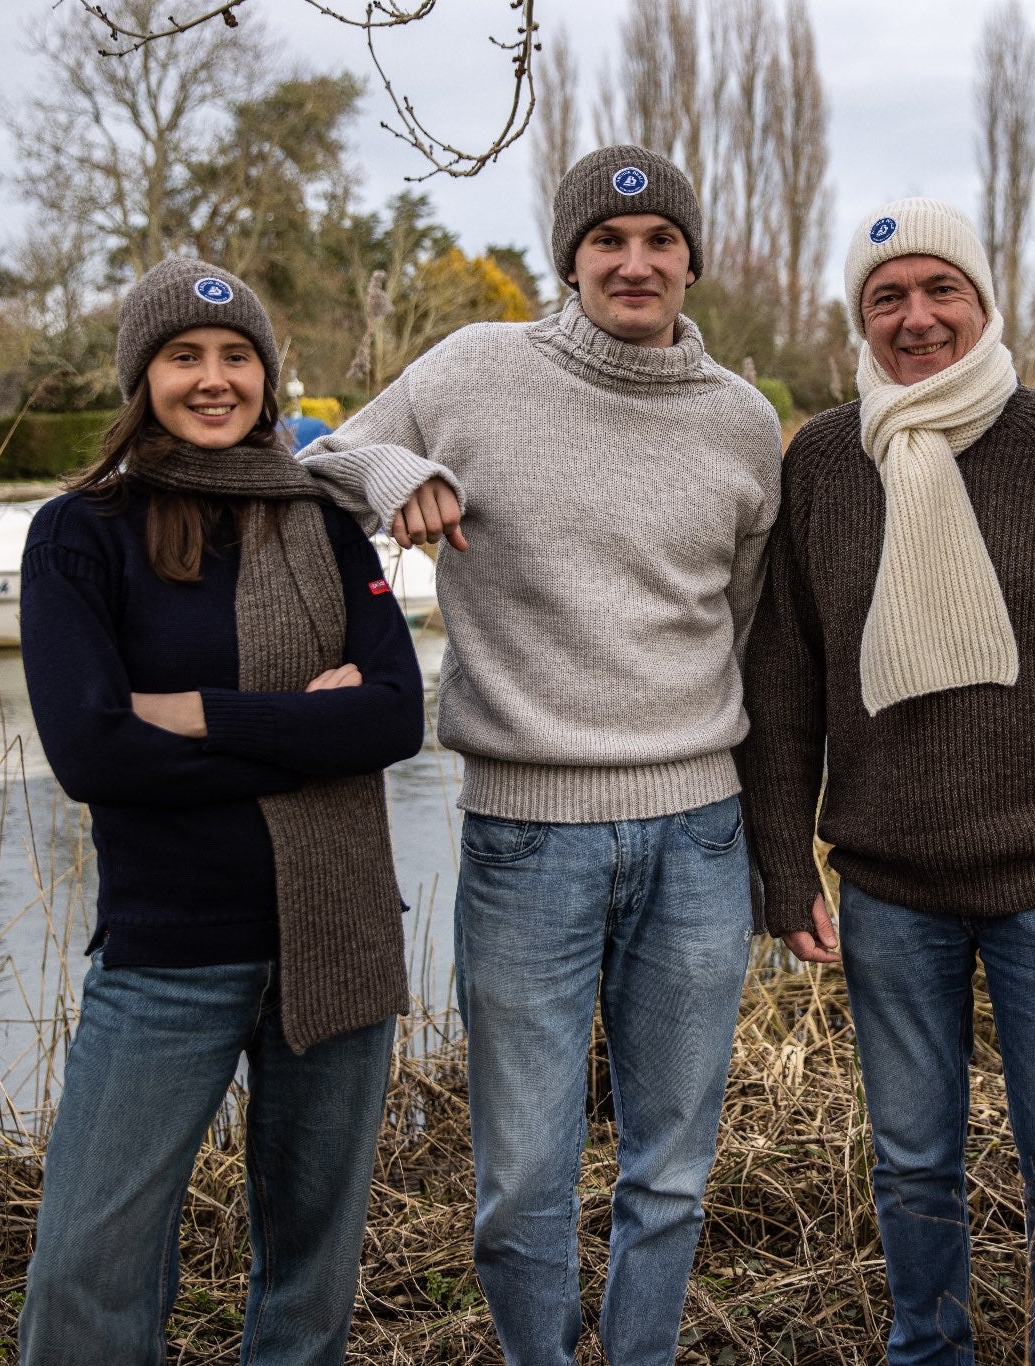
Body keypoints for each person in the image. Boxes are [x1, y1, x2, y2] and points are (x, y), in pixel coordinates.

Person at [296, 145, 783, 1366]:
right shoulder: (472, 369)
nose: (633, 262)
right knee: (522, 1179)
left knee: (669, 1170)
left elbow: (749, 627)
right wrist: (396, 466)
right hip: (525, 834)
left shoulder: (742, 420)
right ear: (569, 259)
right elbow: (309, 468)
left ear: (688, 258)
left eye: (658, 241)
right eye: (606, 243)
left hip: (699, 833)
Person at [737, 198, 1035, 1366]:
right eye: (886, 295)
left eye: (941, 289)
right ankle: (925, 1349)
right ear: (859, 317)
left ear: (984, 304)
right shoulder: (825, 462)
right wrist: (785, 870)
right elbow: (782, 682)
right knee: (912, 1161)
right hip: (889, 886)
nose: (916, 315)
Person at [16, 259, 424, 1364]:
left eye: (235, 356)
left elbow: (392, 718)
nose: (213, 379)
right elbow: (92, 750)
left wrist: (194, 713)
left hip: (336, 937)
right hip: (169, 949)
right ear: (141, 376)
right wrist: (302, 730)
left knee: (309, 1272)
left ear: (265, 374)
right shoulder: (78, 532)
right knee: (88, 1266)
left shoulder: (324, 523)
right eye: (184, 357)